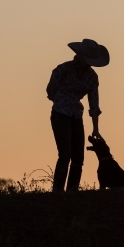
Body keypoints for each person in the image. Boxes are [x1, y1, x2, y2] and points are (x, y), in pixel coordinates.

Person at [46, 39, 110, 192]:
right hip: (60, 115)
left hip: (76, 116)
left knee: (78, 158)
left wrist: (95, 128)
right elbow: (50, 90)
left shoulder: (92, 78)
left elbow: (94, 105)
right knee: (65, 155)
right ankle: (58, 192)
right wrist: (61, 102)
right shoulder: (64, 69)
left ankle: (72, 191)